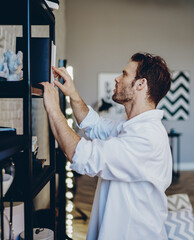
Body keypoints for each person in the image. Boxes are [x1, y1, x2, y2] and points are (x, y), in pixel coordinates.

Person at [40, 52, 172, 240]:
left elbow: (80, 154)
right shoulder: (130, 123)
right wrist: (72, 93)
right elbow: (95, 124)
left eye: (125, 74)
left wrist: (53, 108)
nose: (117, 79)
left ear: (141, 84)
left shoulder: (148, 136)